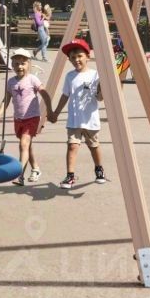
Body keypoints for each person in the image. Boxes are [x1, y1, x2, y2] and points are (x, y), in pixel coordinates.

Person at [49, 38, 107, 190]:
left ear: (88, 56)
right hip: (74, 121)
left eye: (79, 56)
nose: (76, 60)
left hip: (90, 120)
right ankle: (70, 175)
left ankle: (99, 169)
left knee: (94, 146)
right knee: (72, 146)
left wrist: (102, 87)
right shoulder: (70, 76)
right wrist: (56, 112)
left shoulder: (96, 75)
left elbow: (100, 98)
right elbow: (65, 95)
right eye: (73, 57)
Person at [0, 48, 51, 185]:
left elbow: (44, 93)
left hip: (32, 118)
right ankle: (36, 168)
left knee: (23, 144)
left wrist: (50, 110)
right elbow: (6, 99)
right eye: (16, 64)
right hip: (18, 119)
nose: (20, 66)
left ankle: (19, 175)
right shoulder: (11, 82)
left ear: (29, 64)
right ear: (12, 65)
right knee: (27, 146)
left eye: (23, 63)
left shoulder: (32, 79)